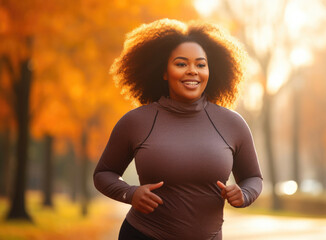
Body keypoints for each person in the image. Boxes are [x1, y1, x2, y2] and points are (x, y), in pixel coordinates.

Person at [93, 18, 263, 240]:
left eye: (200, 64)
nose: (192, 71)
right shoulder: (137, 121)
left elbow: (253, 177)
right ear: (164, 72)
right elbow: (103, 173)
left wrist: (245, 195)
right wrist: (130, 193)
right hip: (144, 235)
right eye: (181, 64)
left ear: (211, 71)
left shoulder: (232, 123)